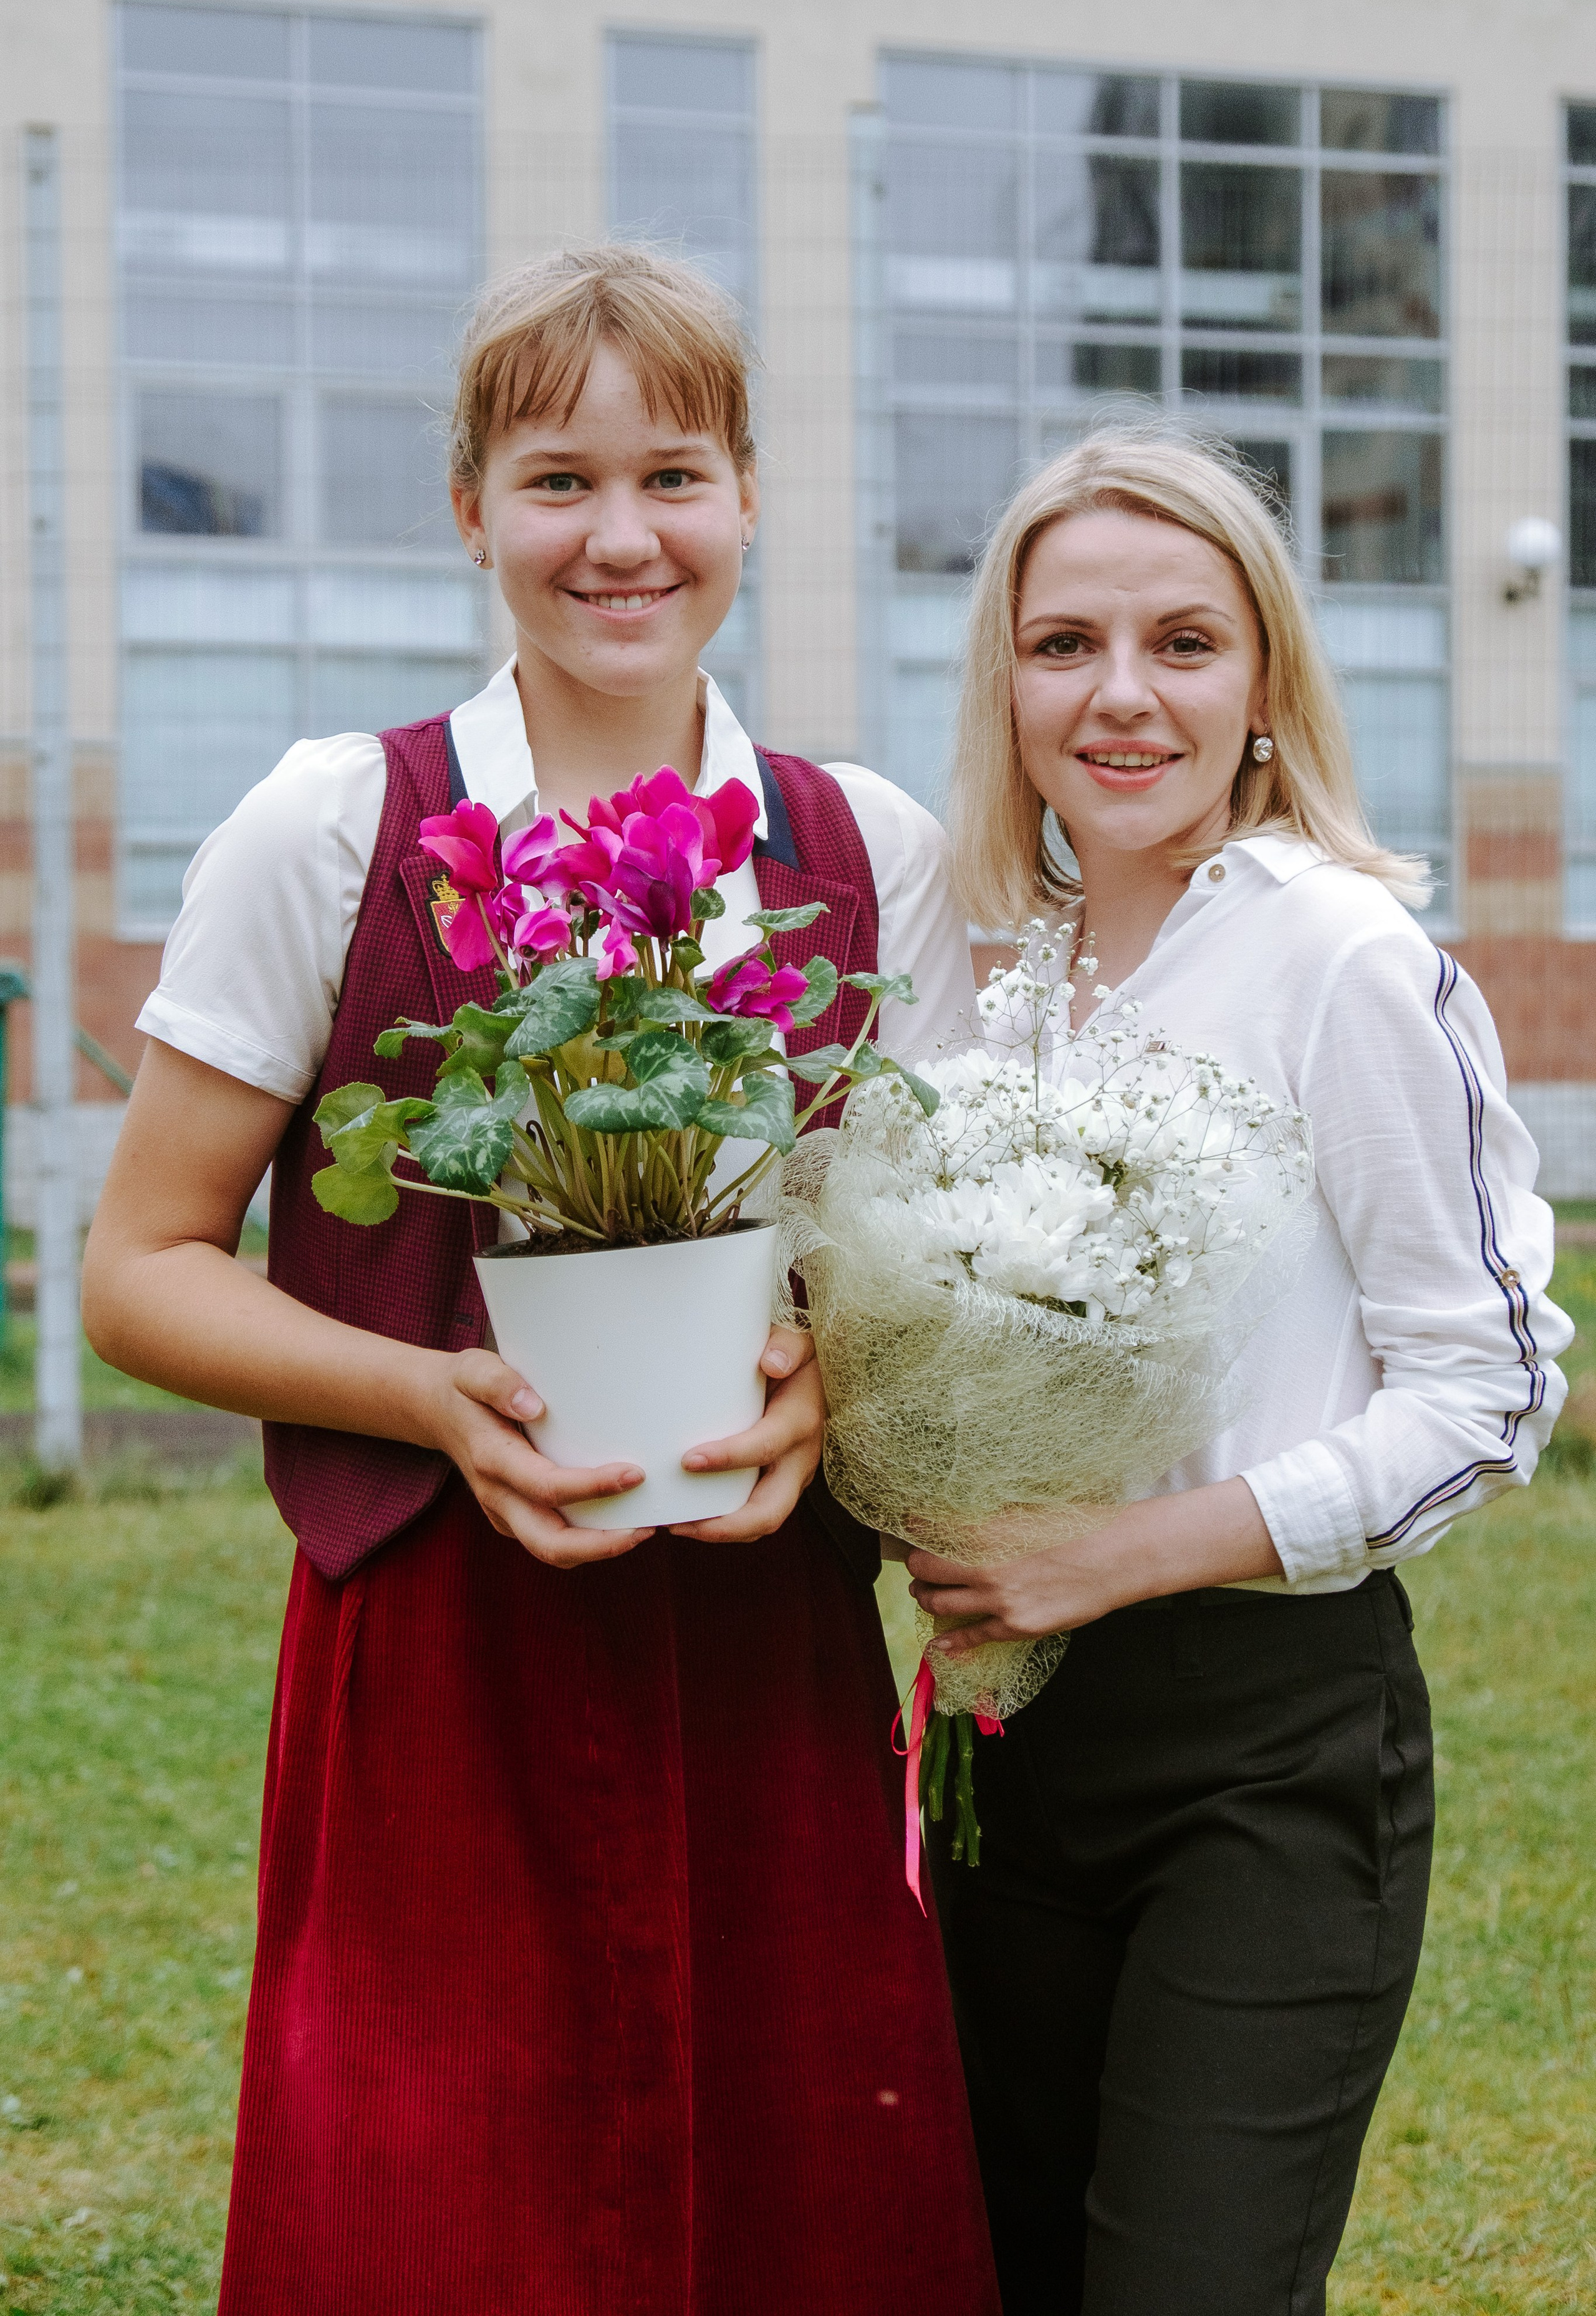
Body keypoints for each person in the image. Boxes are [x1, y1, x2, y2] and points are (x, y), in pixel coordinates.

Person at [82, 245, 998, 2316]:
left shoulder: (865, 848)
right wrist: (430, 1395)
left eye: (672, 475)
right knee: (437, 2217)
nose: (620, 537)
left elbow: (920, 1265)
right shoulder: (342, 825)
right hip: (438, 1653)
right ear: (473, 510)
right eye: (556, 479)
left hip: (766, 1640)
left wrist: (827, 1397)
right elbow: (139, 1270)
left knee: (800, 2219)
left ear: (749, 496)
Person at [908, 425, 1571, 2316]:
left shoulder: (1345, 959)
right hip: (1004, 1744)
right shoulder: (990, 985)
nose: (1121, 696)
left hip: (1267, 1759)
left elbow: (1491, 1392)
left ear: (1265, 680)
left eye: (1184, 643)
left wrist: (1117, 1555)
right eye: (1064, 646)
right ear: (1008, 683)